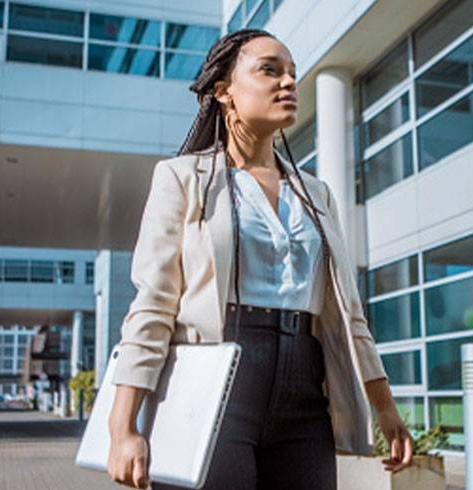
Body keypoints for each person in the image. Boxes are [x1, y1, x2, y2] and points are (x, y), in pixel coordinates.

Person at [106, 28, 414, 489]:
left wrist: (384, 407)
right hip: (216, 380)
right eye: (270, 70)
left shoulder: (316, 195)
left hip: (305, 386)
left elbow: (349, 314)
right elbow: (153, 304)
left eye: (292, 73)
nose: (288, 82)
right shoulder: (182, 178)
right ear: (223, 91)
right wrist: (122, 426)